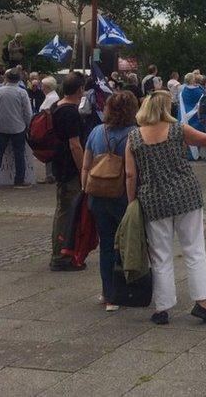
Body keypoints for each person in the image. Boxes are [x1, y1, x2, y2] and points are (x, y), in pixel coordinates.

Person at [125, 89, 206, 325]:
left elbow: (130, 174)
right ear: (167, 108)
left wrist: (131, 202)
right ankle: (202, 303)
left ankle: (162, 308)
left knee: (160, 255)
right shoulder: (178, 130)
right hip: (186, 195)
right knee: (194, 250)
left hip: (153, 200)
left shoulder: (134, 137)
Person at [82, 90, 138, 311]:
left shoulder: (96, 131)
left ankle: (108, 294)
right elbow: (134, 172)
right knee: (127, 244)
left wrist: (86, 188)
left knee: (106, 244)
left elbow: (86, 165)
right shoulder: (134, 134)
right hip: (123, 195)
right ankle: (126, 289)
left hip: (97, 194)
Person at [50, 73, 86, 270]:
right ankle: (61, 256)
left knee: (63, 209)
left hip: (59, 164)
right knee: (67, 211)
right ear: (79, 90)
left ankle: (62, 252)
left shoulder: (57, 106)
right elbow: (75, 145)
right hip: (69, 167)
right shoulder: (70, 112)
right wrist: (83, 170)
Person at [0, 70, 33, 189]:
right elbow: (28, 112)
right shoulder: (22, 93)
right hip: (18, 127)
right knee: (19, 154)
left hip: (1, 126)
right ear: (18, 79)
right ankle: (19, 180)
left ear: (6, 78)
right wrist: (29, 126)